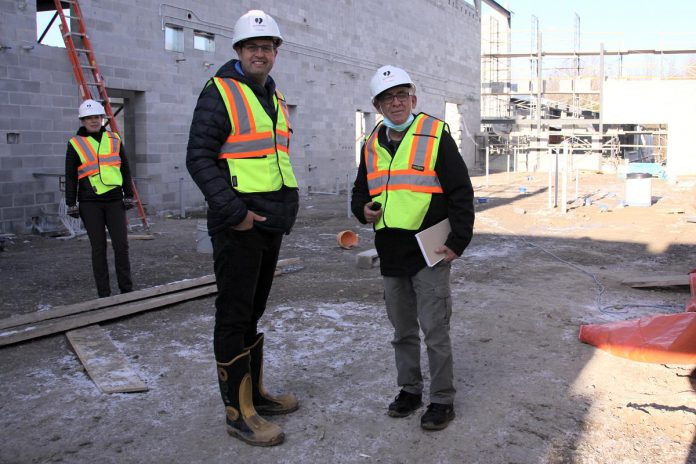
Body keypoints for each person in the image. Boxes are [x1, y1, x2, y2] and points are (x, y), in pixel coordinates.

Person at [186, 9, 299, 447]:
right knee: (233, 315)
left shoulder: (272, 94)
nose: (260, 53)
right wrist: (236, 212)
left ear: (274, 53)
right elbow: (198, 157)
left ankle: (257, 397)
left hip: (269, 222)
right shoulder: (220, 92)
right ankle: (238, 414)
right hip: (238, 224)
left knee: (252, 313)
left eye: (267, 47)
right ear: (238, 51)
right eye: (252, 47)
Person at [351, 65, 475, 431]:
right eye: (387, 98)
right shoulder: (371, 143)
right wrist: (362, 210)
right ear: (378, 106)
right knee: (402, 331)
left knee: (435, 330)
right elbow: (360, 192)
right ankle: (409, 391)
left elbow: (461, 192)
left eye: (401, 95)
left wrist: (458, 241)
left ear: (413, 99)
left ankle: (441, 399)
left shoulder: (436, 135)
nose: (396, 103)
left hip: (429, 250)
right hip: (391, 250)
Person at [65, 99, 134, 299]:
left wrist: (128, 194)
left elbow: (125, 168)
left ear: (102, 118)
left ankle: (126, 291)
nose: (93, 121)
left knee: (121, 245)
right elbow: (70, 175)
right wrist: (71, 203)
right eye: (88, 118)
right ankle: (104, 294)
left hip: (114, 200)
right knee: (99, 248)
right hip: (89, 203)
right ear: (82, 121)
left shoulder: (114, 139)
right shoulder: (75, 144)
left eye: (96, 117)